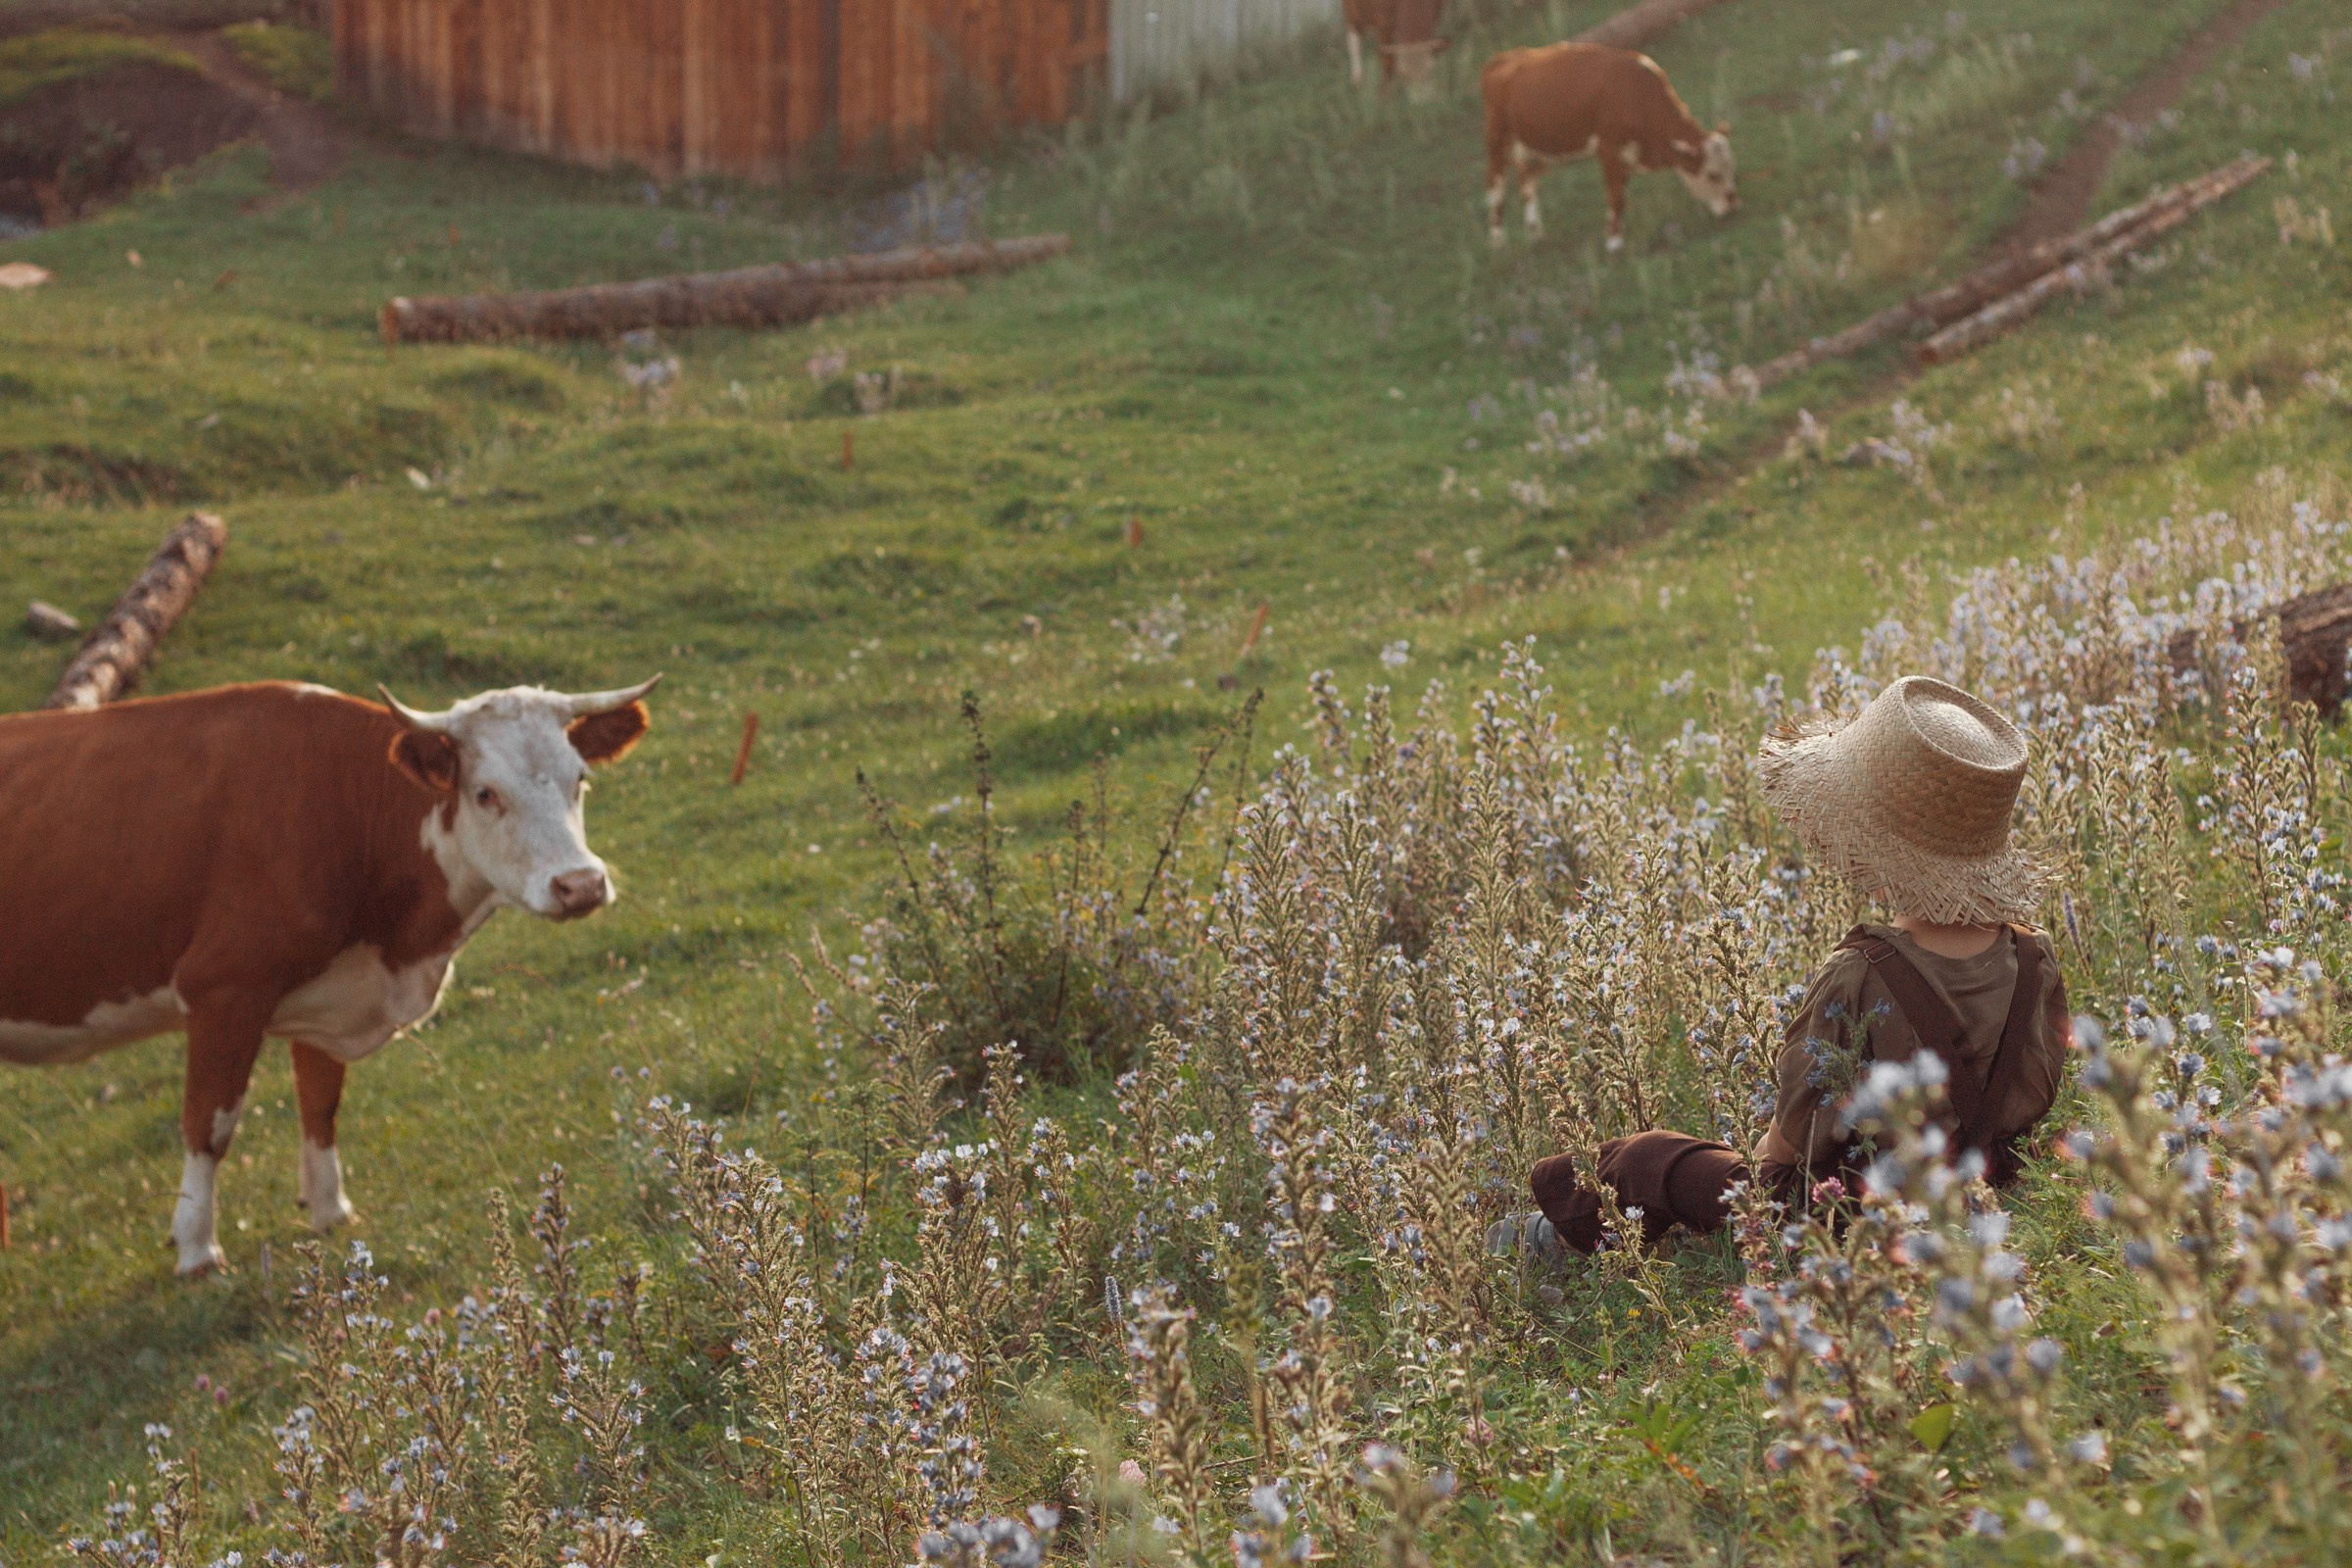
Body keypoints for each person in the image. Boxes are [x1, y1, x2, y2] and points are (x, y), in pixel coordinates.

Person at [1492, 675, 2073, 1257]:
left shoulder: (1864, 972)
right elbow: (2034, 1092)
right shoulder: (2033, 957)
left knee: (1651, 1158)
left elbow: (1794, 1144)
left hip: (1852, 1209)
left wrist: (1746, 1166)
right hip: (1985, 1185)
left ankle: (1556, 1240)